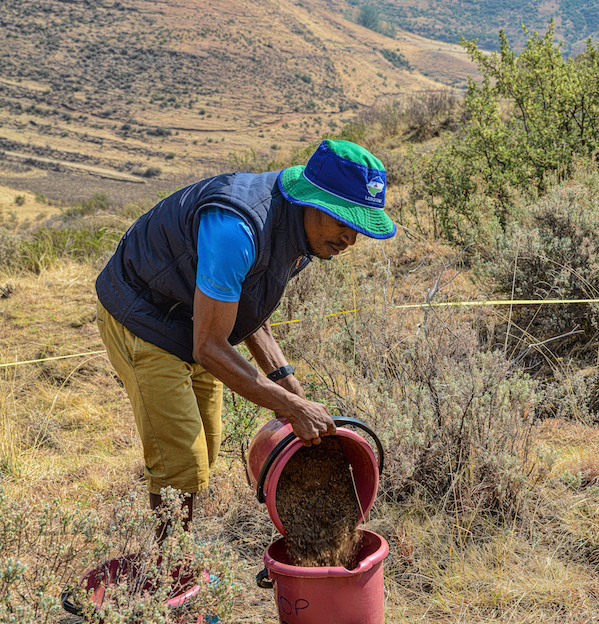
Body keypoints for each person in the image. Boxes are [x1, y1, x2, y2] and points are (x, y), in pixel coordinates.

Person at [95, 139, 396, 529]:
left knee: (206, 447)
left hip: (195, 319)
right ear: (312, 201)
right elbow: (208, 347)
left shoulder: (302, 232)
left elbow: (248, 306)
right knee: (181, 462)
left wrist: (290, 388)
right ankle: (168, 575)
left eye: (359, 229)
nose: (350, 239)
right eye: (344, 222)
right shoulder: (236, 229)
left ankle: (180, 556)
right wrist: (291, 408)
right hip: (143, 317)